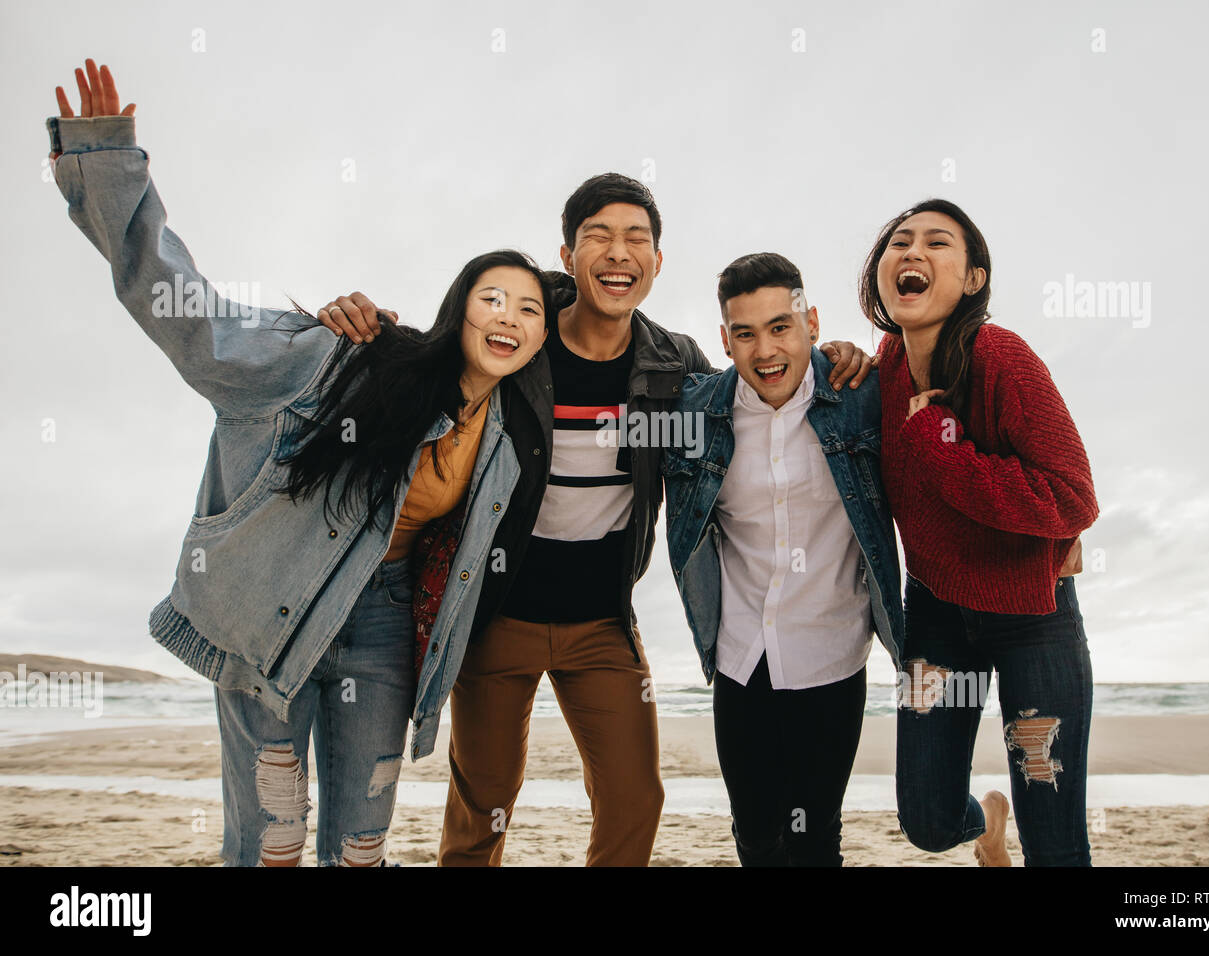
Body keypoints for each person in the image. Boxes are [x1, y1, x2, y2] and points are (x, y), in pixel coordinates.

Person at [46, 59, 553, 866]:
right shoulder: (343, 356)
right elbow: (191, 318)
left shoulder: (507, 443)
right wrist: (105, 164)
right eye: (493, 296)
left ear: (536, 341)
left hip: (384, 628)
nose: (511, 316)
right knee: (273, 840)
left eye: (529, 309)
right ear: (458, 308)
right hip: (278, 612)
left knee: (360, 845)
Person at [316, 177, 873, 866]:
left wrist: (838, 358)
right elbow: (430, 356)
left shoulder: (675, 368)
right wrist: (360, 328)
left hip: (603, 625)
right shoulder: (518, 343)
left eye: (637, 238)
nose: (619, 252)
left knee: (636, 802)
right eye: (599, 237)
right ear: (568, 253)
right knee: (482, 808)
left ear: (657, 263)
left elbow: (763, 383)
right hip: (496, 615)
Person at [859, 198, 1099, 866]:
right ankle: (984, 829)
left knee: (1053, 842)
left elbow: (1073, 496)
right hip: (934, 615)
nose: (912, 253)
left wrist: (944, 450)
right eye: (898, 242)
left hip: (1033, 620)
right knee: (929, 822)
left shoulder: (1001, 358)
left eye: (938, 243)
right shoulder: (883, 371)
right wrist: (836, 359)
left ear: (972, 279)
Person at [661, 253, 904, 865]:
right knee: (755, 834)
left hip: (833, 656)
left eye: (780, 326)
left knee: (814, 837)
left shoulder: (861, 397)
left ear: (812, 323)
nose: (765, 349)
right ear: (725, 339)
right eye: (744, 333)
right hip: (742, 659)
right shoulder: (696, 412)